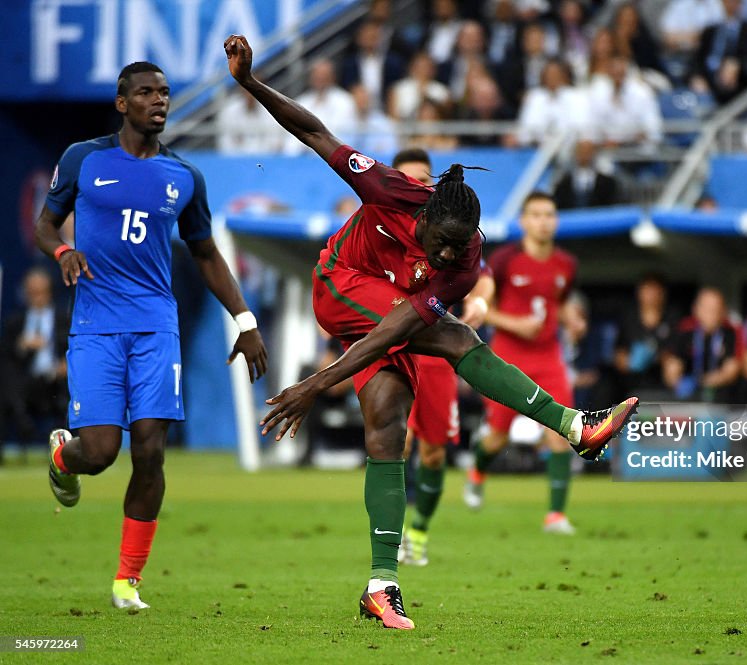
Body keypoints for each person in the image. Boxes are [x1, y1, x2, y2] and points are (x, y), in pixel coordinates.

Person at [224, 34, 637, 631]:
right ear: (422, 217)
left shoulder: (466, 260)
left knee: (388, 423)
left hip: (379, 314)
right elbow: (315, 132)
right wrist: (249, 83)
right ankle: (574, 426)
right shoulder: (389, 188)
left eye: (458, 247)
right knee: (455, 340)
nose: (446, 258)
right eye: (439, 244)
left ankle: (380, 585)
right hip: (341, 280)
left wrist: (316, 385)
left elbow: (393, 328)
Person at [37, 61, 268, 610]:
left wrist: (246, 321)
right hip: (95, 327)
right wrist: (63, 250)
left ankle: (127, 581)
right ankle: (63, 458)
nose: (158, 101)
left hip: (156, 328)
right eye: (146, 93)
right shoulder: (83, 159)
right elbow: (45, 224)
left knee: (150, 450)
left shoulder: (185, 177)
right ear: (123, 103)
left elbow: (207, 253)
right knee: (100, 451)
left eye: (164, 93)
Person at [390, 148, 496, 567]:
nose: (418, 188)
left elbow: (483, 279)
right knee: (395, 443)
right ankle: (391, 535)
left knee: (433, 452)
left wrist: (482, 306)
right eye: (408, 180)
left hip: (434, 352)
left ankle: (418, 532)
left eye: (425, 181)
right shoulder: (383, 224)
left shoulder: (451, 237)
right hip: (394, 346)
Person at [463, 191, 587, 535]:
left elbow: (556, 302)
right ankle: (477, 473)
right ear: (523, 221)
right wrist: (515, 324)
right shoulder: (503, 261)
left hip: (549, 357)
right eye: (536, 215)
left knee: (563, 432)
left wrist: (571, 319)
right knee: (497, 438)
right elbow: (479, 303)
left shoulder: (566, 264)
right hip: (508, 356)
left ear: (556, 220)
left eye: (549, 215)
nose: (543, 221)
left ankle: (555, 516)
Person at [0, 268, 71, 446]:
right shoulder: (16, 322)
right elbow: (6, 356)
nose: (37, 297)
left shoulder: (64, 319)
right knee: (8, 384)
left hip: (56, 381)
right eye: (32, 293)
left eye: (41, 292)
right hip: (25, 382)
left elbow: (77, 350)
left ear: (50, 292)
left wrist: (68, 364)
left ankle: (70, 447)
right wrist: (21, 347)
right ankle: (23, 428)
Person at [662, 287, 742, 403]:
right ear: (696, 309)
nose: (712, 315)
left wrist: (698, 382)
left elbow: (730, 372)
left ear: (724, 311)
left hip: (723, 400)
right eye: (707, 309)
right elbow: (672, 367)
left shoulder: (732, 332)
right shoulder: (685, 330)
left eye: (716, 309)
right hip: (688, 399)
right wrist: (677, 382)